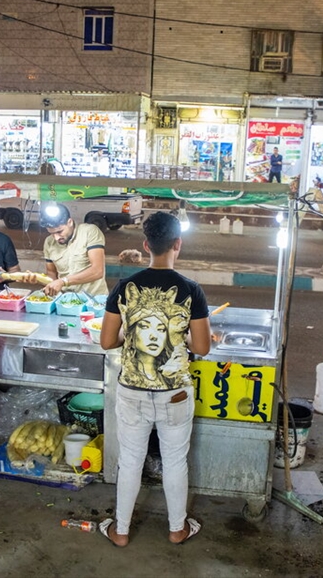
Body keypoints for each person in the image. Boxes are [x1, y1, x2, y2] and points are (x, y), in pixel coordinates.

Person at [97, 211, 211, 547]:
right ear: (178, 244)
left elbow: (107, 341)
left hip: (132, 391)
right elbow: (201, 347)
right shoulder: (191, 290)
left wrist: (129, 338)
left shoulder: (124, 287)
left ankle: (120, 530)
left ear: (146, 245)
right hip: (174, 393)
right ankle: (177, 528)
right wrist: (182, 338)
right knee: (175, 460)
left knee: (130, 460)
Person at [23, 203, 107, 297]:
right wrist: (38, 279)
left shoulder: (90, 232)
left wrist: (63, 281)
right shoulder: (49, 242)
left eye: (59, 231)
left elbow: (97, 271)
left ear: (70, 222)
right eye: (51, 233)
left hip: (94, 301)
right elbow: (52, 274)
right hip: (65, 301)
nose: (56, 238)